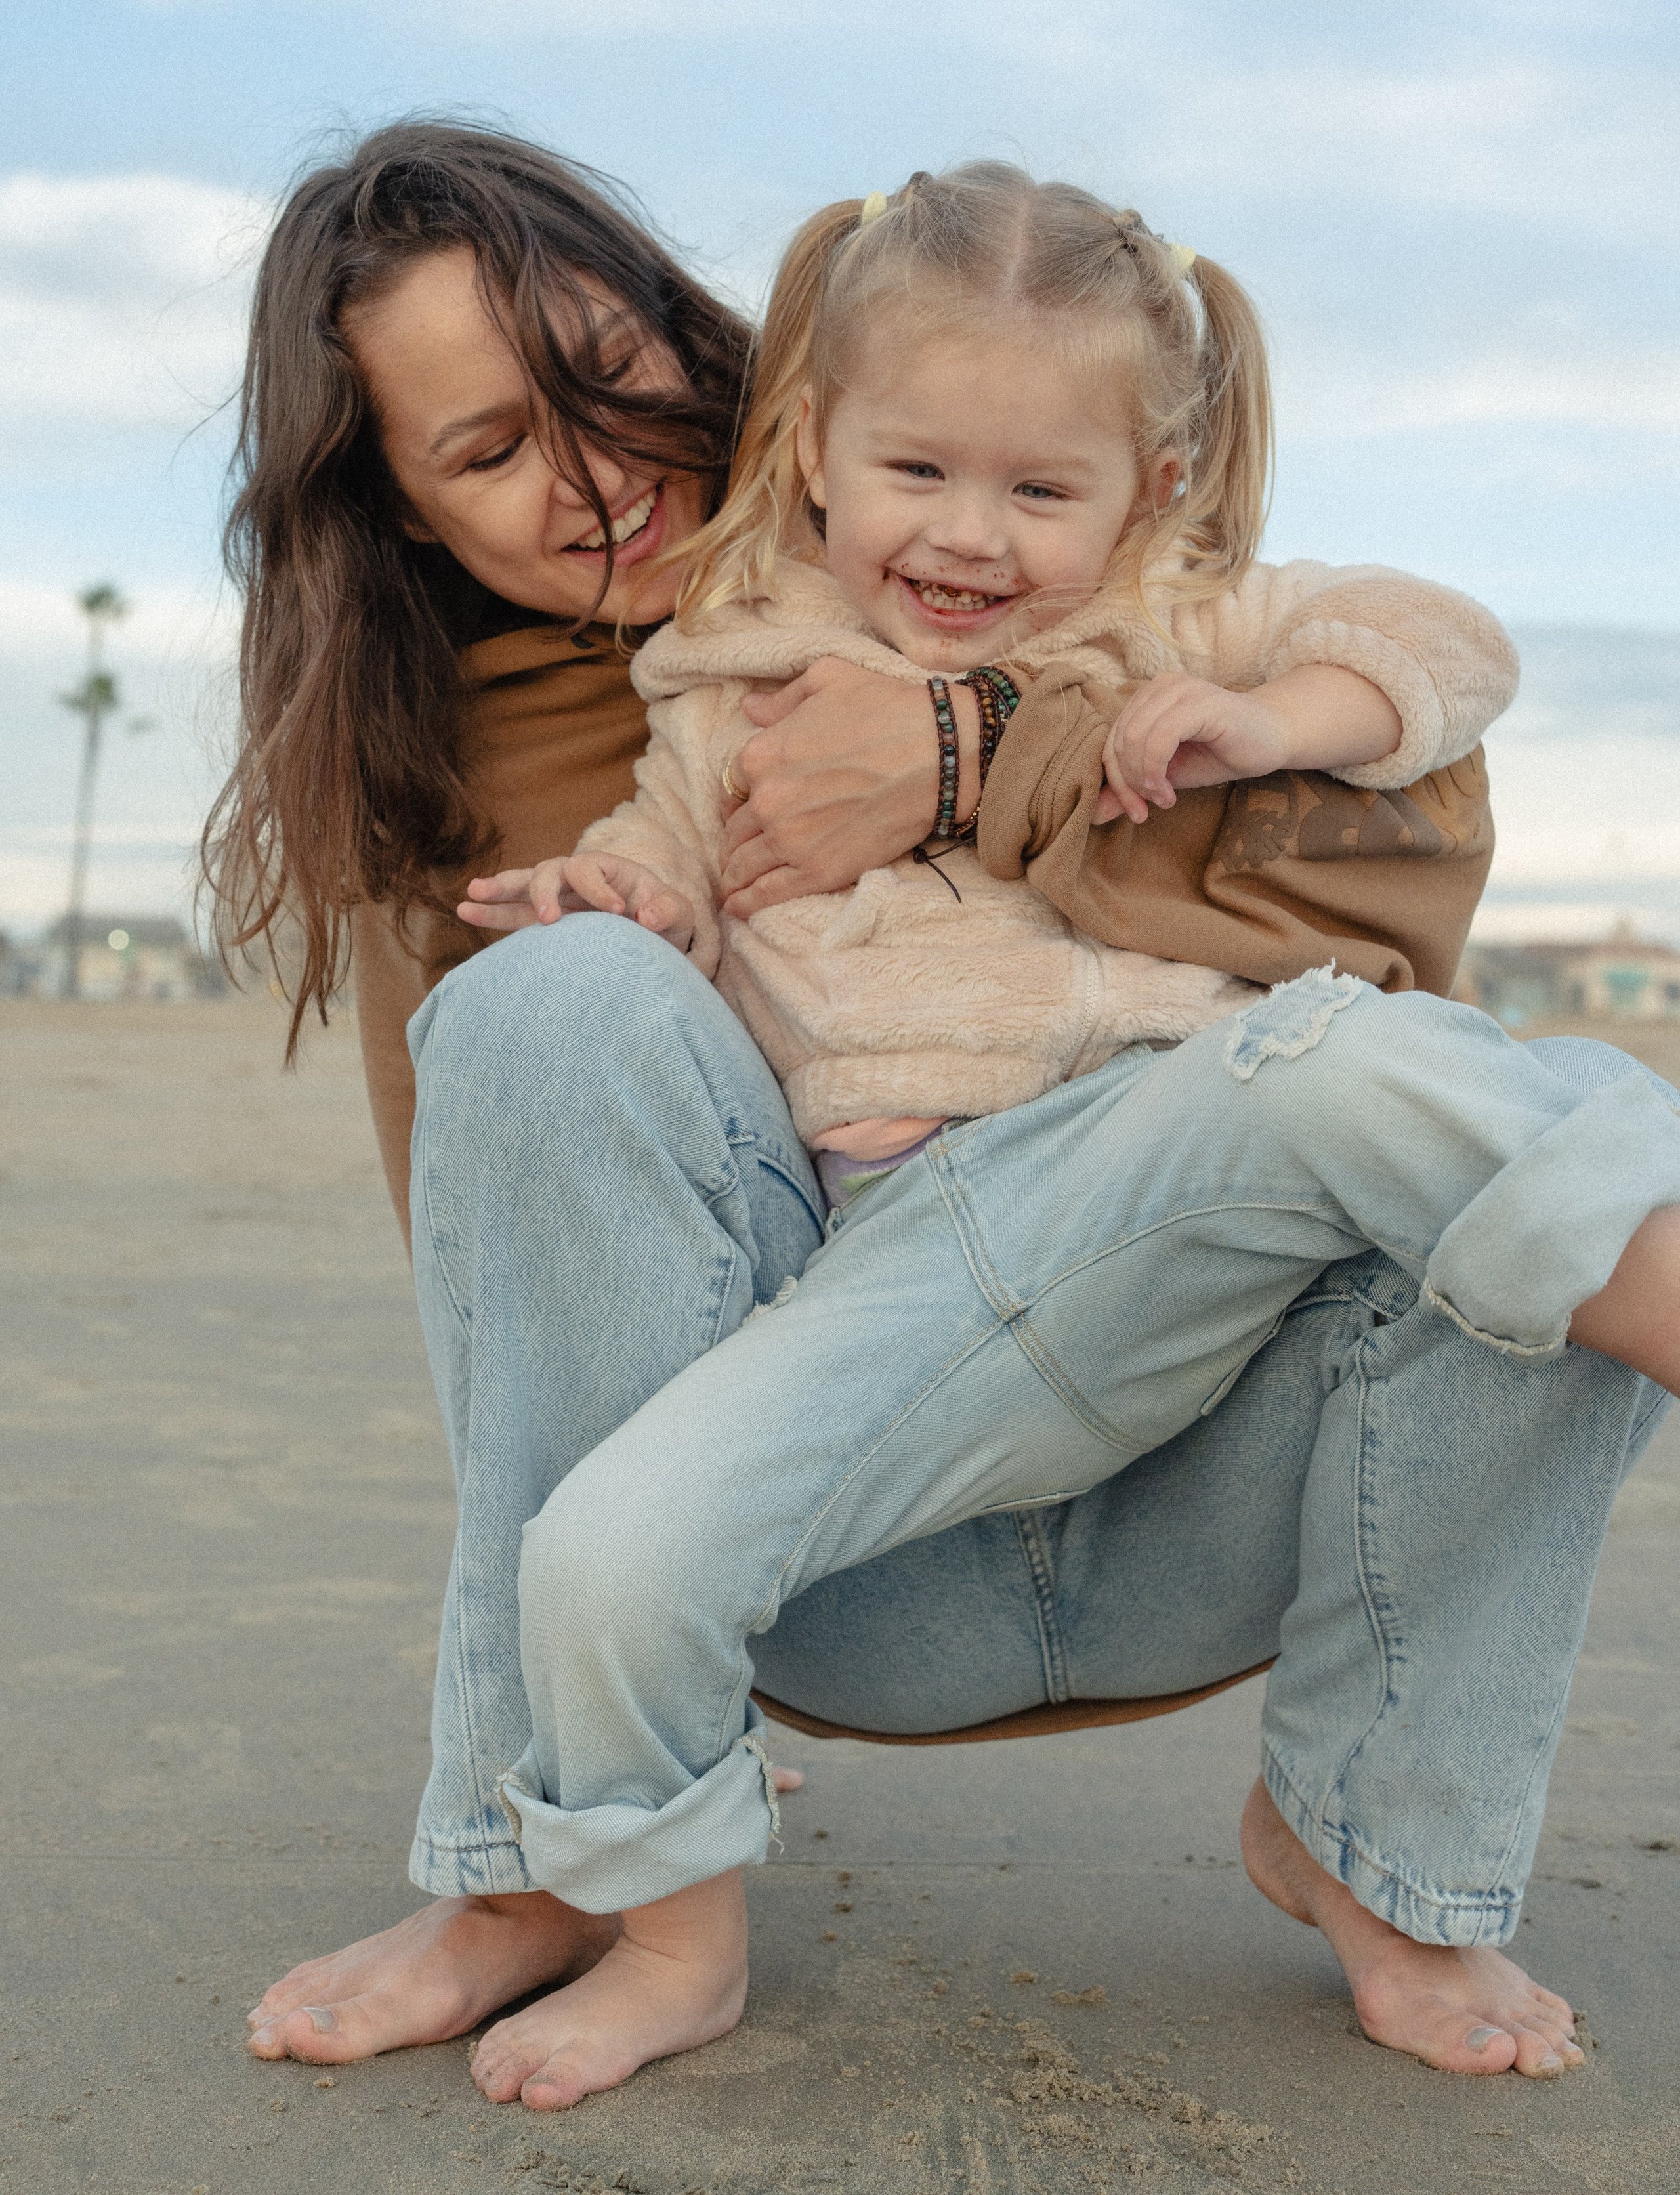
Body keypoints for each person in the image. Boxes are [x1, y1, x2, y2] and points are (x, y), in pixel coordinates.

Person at [219, 123, 1671, 2104]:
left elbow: (1393, 865)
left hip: (1202, 1434)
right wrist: (624, 1668)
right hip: (833, 1500)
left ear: (731, 361)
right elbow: (523, 1300)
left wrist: (975, 745)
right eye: (486, 450)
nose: (593, 475)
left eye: (609, 379)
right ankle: (550, 1862)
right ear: (391, 509)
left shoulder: (1030, 584)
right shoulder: (493, 779)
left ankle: (1385, 1847)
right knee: (551, 993)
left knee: (1542, 1127)